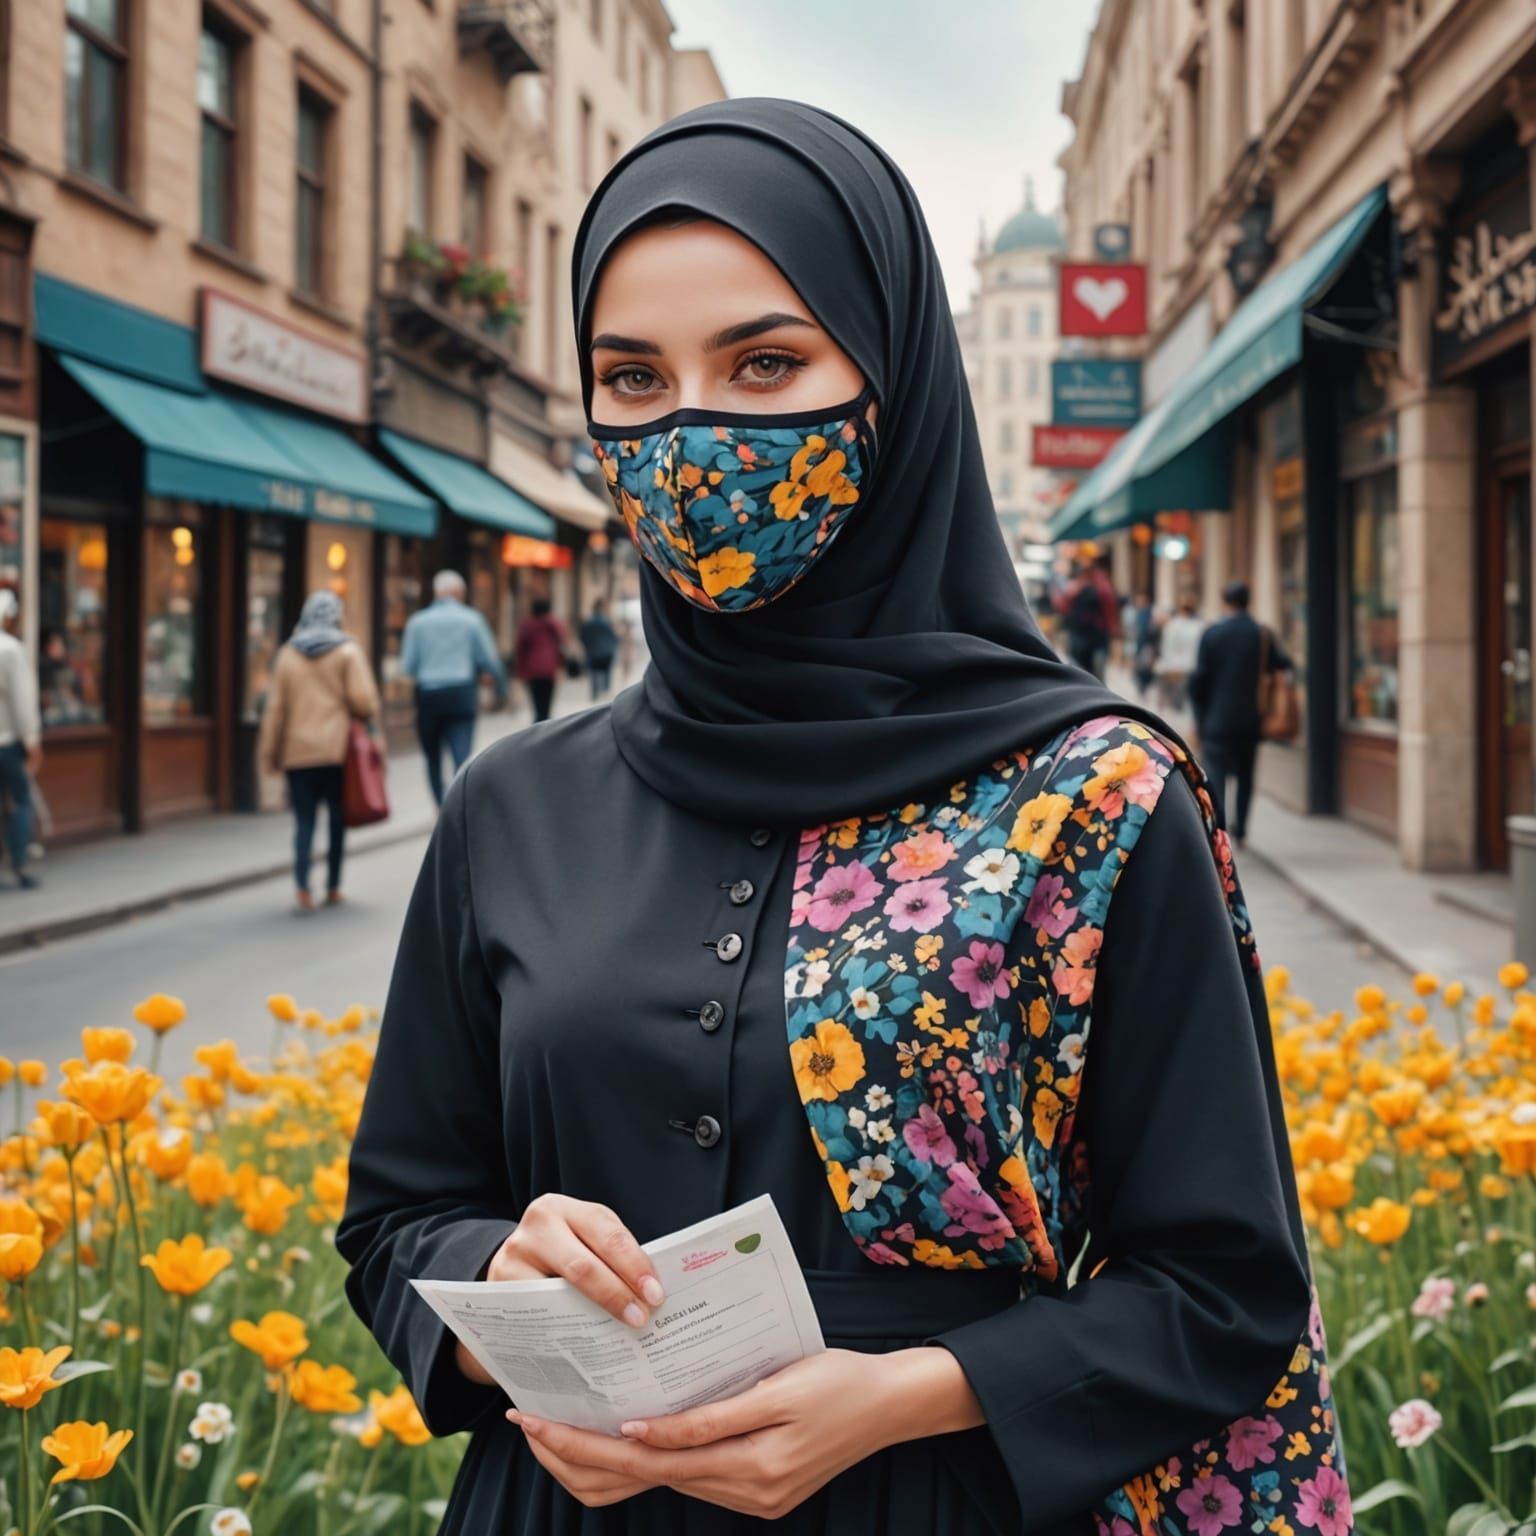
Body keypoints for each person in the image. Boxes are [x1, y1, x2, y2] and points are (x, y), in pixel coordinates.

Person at [336, 100, 1347, 1536]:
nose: (692, 432)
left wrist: (907, 1390)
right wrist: (499, 1268)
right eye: (632, 375)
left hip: (927, 1501)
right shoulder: (516, 803)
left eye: (766, 362)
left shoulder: (1093, 802)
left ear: (893, 379)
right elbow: (394, 1215)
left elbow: (1223, 1288)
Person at [257, 591, 380, 911]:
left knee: (305, 821)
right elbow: (364, 701)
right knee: (337, 819)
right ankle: (333, 885)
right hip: (336, 751)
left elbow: (275, 709)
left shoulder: (287, 654)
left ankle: (302, 887)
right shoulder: (347, 652)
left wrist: (269, 751)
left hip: (298, 753)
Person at [1187, 580, 1293, 848]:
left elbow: (1198, 680)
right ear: (1249, 601)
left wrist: (1199, 718)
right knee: (1246, 775)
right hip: (1250, 719)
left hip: (1216, 719)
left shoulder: (1212, 634)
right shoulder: (1262, 635)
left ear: (1226, 601)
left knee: (1216, 775)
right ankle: (1242, 831)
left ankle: (1219, 831)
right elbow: (1283, 664)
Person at [401, 571, 507, 806]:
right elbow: (489, 658)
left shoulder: (417, 622)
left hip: (428, 694)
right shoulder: (472, 620)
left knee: (432, 757)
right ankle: (459, 807)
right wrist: (501, 687)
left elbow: (407, 666)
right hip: (461, 692)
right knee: (462, 756)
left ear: (437, 593)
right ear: (459, 593)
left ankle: (441, 807)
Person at [0, 588, 40, 890]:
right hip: (7, 743)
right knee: (20, 801)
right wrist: (31, 739)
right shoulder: (10, 650)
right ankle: (19, 863)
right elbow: (22, 700)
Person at [513, 597, 569, 723]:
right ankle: (545, 723)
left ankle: (538, 724)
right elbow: (563, 642)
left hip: (532, 669)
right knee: (547, 702)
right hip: (549, 668)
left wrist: (520, 670)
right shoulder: (553, 624)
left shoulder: (527, 626)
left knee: (537, 702)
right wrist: (561, 664)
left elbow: (521, 649)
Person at [1156, 593, 1206, 714]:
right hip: (1185, 668)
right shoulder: (1197, 625)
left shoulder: (1176, 625)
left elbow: (1166, 648)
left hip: (1184, 667)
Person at [579, 598, 620, 700]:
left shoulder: (588, 622)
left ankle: (595, 692)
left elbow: (583, 637)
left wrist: (587, 646)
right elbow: (613, 636)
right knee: (606, 672)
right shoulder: (606, 621)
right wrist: (615, 645)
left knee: (594, 672)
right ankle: (605, 690)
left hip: (593, 651)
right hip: (607, 651)